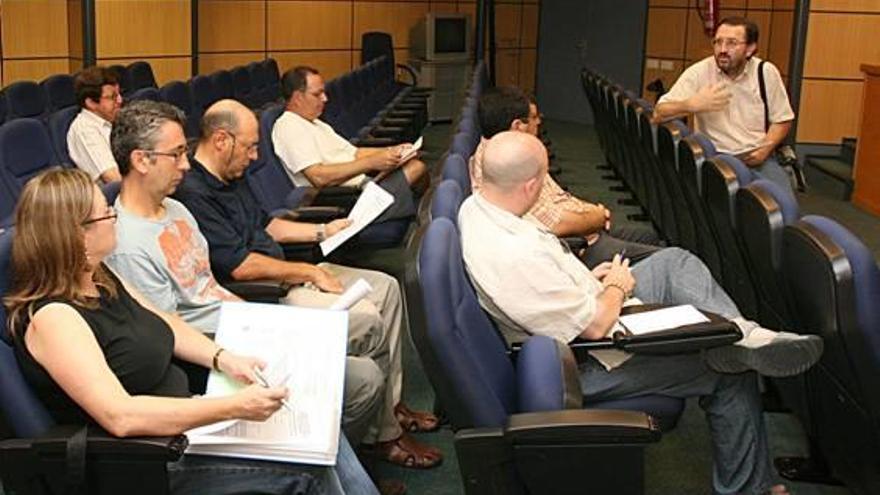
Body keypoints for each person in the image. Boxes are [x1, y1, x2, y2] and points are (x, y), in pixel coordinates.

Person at [459, 131, 825, 495]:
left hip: (578, 310)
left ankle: (741, 334)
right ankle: (749, 486)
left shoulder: (480, 205)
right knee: (730, 372)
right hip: (582, 363)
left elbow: (542, 290)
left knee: (673, 263)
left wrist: (586, 279)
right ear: (530, 185)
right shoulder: (512, 255)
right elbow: (596, 326)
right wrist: (616, 286)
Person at [3, 167, 378, 495]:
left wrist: (224, 358)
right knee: (308, 467)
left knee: (318, 434)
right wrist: (232, 407)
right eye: (106, 214)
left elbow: (166, 323)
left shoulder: (98, 275)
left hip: (188, 422)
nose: (114, 217)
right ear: (77, 235)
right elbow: (121, 416)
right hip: (150, 459)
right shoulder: (54, 318)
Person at [173, 99, 442, 470]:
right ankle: (384, 435)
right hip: (269, 292)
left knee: (386, 287)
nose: (255, 157)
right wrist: (309, 272)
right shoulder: (194, 193)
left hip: (287, 270)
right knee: (366, 318)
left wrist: (323, 229)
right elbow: (241, 267)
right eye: (250, 146)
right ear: (221, 139)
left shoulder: (231, 173)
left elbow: (267, 227)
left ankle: (391, 407)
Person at [103, 100, 385, 447]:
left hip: (244, 326)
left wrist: (260, 321)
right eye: (175, 155)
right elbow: (169, 336)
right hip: (217, 357)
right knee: (363, 379)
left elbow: (209, 287)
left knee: (352, 351)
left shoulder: (175, 209)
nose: (186, 164)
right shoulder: (128, 245)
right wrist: (248, 344)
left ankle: (316, 454)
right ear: (141, 160)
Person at [471, 86, 662, 268]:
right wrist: (596, 217)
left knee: (649, 238)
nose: (539, 122)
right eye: (534, 117)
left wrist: (591, 211)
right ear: (518, 126)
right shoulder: (510, 162)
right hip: (573, 246)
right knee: (668, 259)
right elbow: (554, 224)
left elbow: (558, 197)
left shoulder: (510, 151)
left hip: (579, 231)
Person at [653, 16, 796, 198]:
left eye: (731, 43)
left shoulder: (766, 73)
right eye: (718, 42)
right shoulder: (700, 72)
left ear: (750, 49)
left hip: (757, 158)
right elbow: (659, 113)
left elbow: (782, 119)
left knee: (785, 209)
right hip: (715, 160)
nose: (722, 50)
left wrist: (765, 149)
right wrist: (692, 104)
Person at [272, 66, 428, 223]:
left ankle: (423, 217)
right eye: (317, 94)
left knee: (412, 163)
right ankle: (425, 218)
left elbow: (354, 153)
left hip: (360, 186)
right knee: (416, 169)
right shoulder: (289, 127)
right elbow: (319, 177)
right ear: (298, 98)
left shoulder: (315, 123)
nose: (325, 98)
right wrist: (372, 162)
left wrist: (392, 151)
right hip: (343, 198)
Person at [67, 66, 123, 184]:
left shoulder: (111, 120)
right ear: (91, 103)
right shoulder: (84, 129)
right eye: (112, 97)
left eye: (119, 94)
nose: (120, 100)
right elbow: (112, 178)